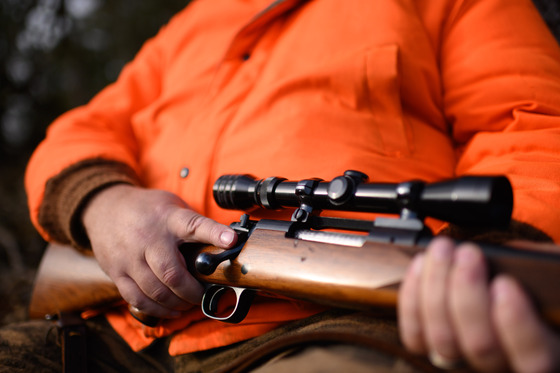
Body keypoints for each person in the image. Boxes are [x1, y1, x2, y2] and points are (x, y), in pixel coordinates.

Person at [5, 0, 560, 371]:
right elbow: (81, 130)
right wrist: (105, 202)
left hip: (339, 327)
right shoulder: (192, 23)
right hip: (119, 338)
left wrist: (488, 255)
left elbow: (533, 127)